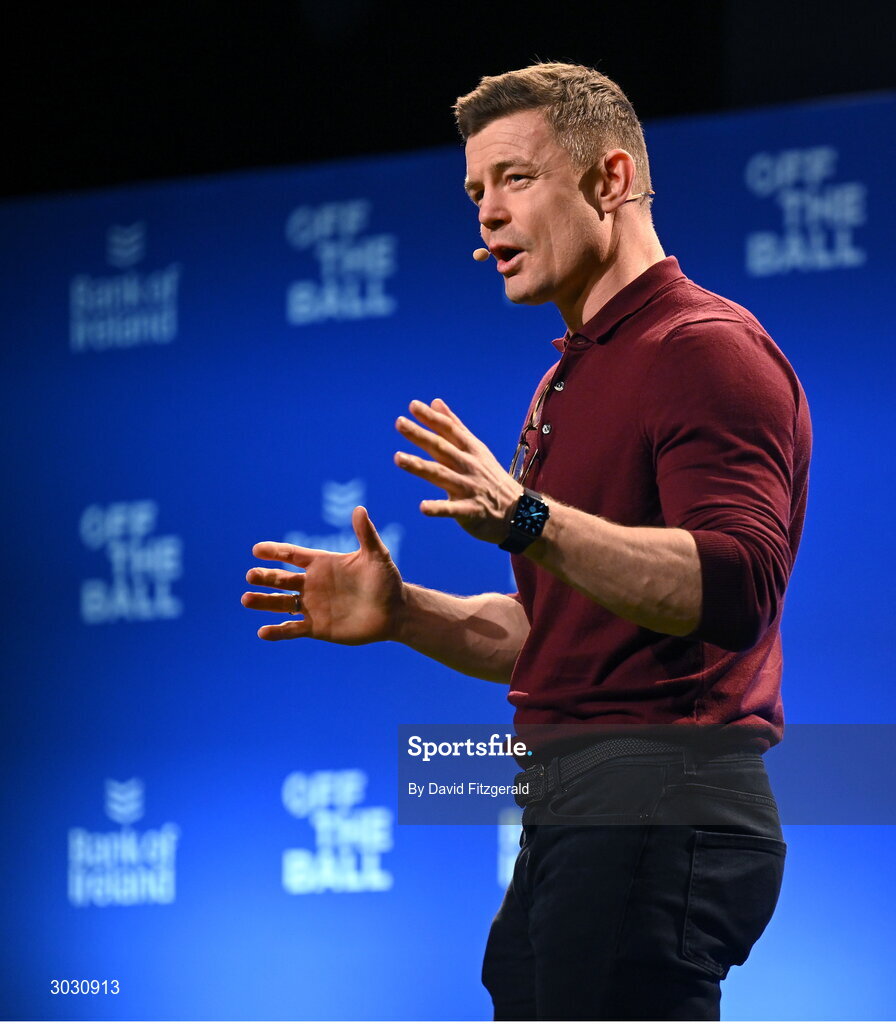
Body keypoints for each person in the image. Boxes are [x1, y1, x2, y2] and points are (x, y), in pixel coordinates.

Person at [242, 62, 811, 1021]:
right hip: (576, 806)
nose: (487, 215)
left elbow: (737, 584)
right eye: (475, 192)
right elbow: (558, 635)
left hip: (663, 794)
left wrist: (528, 520)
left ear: (611, 180)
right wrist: (408, 614)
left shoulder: (702, 348)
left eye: (515, 179)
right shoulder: (567, 380)